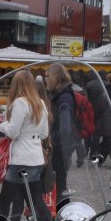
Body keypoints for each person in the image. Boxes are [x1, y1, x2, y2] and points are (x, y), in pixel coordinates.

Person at [0, 70, 52, 221]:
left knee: (4, 199)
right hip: (35, 158)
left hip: (20, 159)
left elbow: (13, 132)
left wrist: (2, 125)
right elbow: (44, 133)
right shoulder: (40, 103)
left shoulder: (20, 103)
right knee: (36, 201)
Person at [45, 62, 80, 206]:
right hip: (62, 145)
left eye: (47, 75)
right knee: (60, 182)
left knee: (60, 184)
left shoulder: (64, 98)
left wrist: (52, 141)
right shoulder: (61, 94)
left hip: (61, 147)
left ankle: (64, 214)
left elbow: (65, 128)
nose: (45, 78)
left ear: (55, 77)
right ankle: (62, 214)